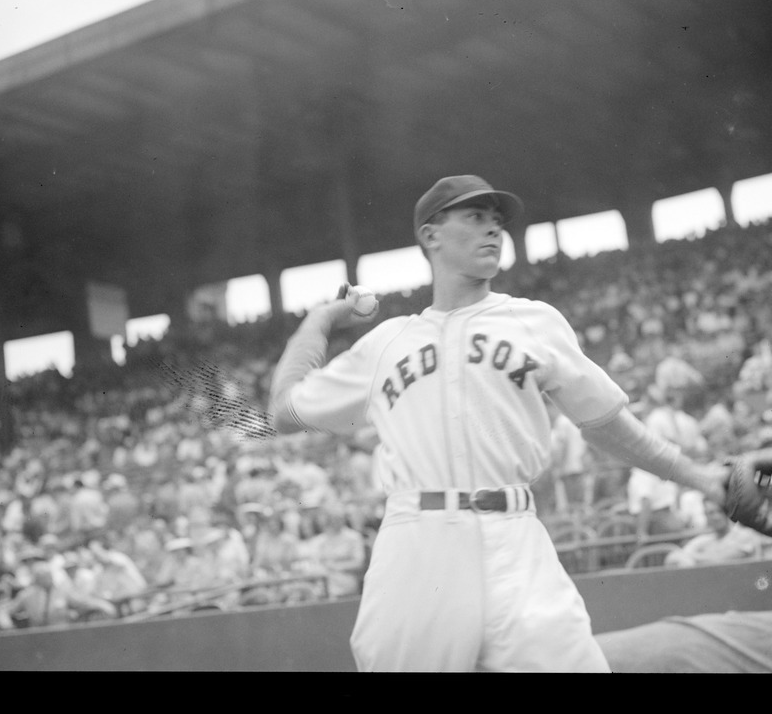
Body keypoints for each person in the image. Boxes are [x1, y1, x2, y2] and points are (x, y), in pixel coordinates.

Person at [266, 175, 732, 673]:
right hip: (417, 544)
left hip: (514, 536)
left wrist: (704, 479)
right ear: (431, 235)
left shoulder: (534, 321)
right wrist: (319, 322)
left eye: (496, 221)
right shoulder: (386, 343)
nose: (493, 230)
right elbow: (285, 411)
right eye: (474, 217)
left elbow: (603, 422)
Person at [664, 498, 761, 568]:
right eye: (710, 513)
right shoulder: (704, 540)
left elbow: (720, 561)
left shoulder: (745, 535)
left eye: (719, 511)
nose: (715, 517)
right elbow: (673, 557)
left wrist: (691, 558)